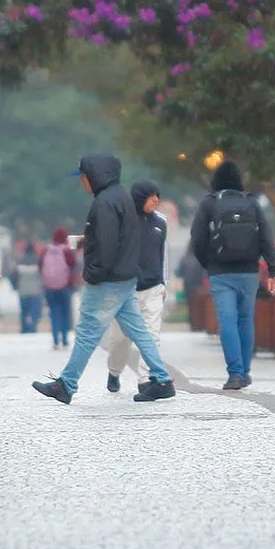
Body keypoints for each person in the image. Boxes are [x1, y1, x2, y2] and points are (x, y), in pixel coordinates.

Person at [31, 154, 176, 404]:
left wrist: (93, 275)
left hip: (108, 279)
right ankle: (162, 379)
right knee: (140, 331)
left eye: (84, 177)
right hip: (126, 276)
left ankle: (66, 384)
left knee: (88, 332)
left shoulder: (105, 203)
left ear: (95, 176)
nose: (82, 183)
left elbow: (107, 244)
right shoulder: (121, 197)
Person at [191, 160, 275, 390]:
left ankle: (235, 373)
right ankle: (245, 371)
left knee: (227, 320)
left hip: (221, 272)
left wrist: (208, 263)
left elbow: (197, 238)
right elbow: (265, 236)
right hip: (249, 271)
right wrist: (273, 269)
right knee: (245, 319)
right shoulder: (250, 202)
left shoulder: (210, 203)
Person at [104, 180, 167, 393]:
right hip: (126, 290)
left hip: (153, 289)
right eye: (152, 196)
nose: (156, 200)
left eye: (158, 196)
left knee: (152, 336)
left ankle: (145, 380)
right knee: (120, 340)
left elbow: (162, 255)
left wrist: (163, 282)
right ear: (140, 198)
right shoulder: (122, 222)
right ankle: (114, 371)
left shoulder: (161, 223)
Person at [40, 227, 77, 349]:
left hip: (50, 287)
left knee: (54, 312)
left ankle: (55, 339)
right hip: (65, 286)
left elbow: (40, 265)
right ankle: (65, 339)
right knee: (66, 313)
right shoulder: (67, 251)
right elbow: (73, 265)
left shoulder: (46, 250)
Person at [11, 243, 44, 334]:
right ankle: (33, 327)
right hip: (35, 291)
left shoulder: (20, 261)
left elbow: (14, 276)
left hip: (23, 291)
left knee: (24, 312)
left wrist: (16, 287)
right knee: (34, 312)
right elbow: (43, 275)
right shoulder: (38, 261)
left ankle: (24, 329)